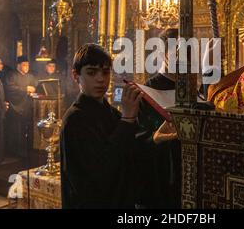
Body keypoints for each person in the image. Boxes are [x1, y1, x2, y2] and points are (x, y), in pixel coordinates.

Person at [60, 43, 176, 209]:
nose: (100, 79)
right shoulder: (74, 119)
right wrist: (128, 119)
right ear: (75, 75)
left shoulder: (112, 114)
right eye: (92, 72)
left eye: (105, 72)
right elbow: (101, 173)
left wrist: (154, 139)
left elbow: (130, 157)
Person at [136, 28, 182, 209]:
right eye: (177, 51)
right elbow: (138, 138)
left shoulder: (191, 90)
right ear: (162, 53)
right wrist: (154, 137)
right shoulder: (147, 92)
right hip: (157, 184)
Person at [4, 56, 38, 157]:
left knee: (25, 129)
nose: (26, 67)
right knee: (15, 130)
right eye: (24, 65)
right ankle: (14, 151)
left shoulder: (30, 76)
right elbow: (10, 88)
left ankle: (25, 150)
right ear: (18, 65)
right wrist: (25, 89)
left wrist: (32, 91)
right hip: (15, 107)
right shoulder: (11, 75)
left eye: (27, 65)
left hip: (27, 106)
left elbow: (34, 86)